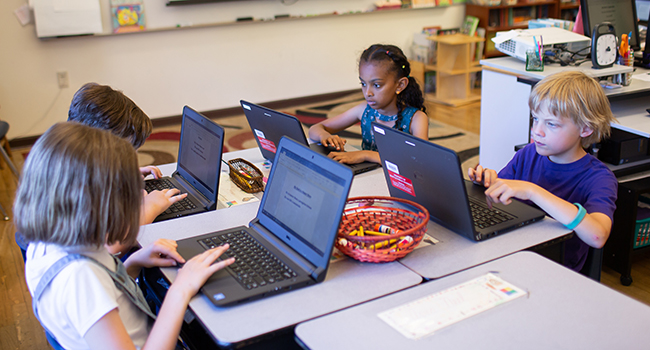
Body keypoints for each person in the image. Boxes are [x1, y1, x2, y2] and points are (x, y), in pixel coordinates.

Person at [16, 122, 235, 350]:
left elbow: (108, 294)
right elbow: (95, 292)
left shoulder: (49, 243)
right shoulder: (80, 280)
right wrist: (180, 290)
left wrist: (132, 264)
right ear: (98, 208)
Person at [15, 83, 185, 260]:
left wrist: (117, 173)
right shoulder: (76, 184)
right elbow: (110, 249)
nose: (131, 157)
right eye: (124, 152)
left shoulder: (63, 157)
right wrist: (148, 210)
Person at [468, 71, 618, 271]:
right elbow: (499, 198)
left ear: (585, 129)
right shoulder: (529, 154)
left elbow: (598, 236)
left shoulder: (599, 178)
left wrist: (532, 191)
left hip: (554, 267)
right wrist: (486, 183)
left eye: (551, 124)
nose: (537, 130)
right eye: (535, 119)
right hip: (514, 250)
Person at [308, 44, 429, 164]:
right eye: (363, 84)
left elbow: (419, 160)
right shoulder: (363, 110)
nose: (368, 93)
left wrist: (366, 154)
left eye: (377, 85)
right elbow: (315, 128)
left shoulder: (417, 118)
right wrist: (324, 136)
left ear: (400, 85)